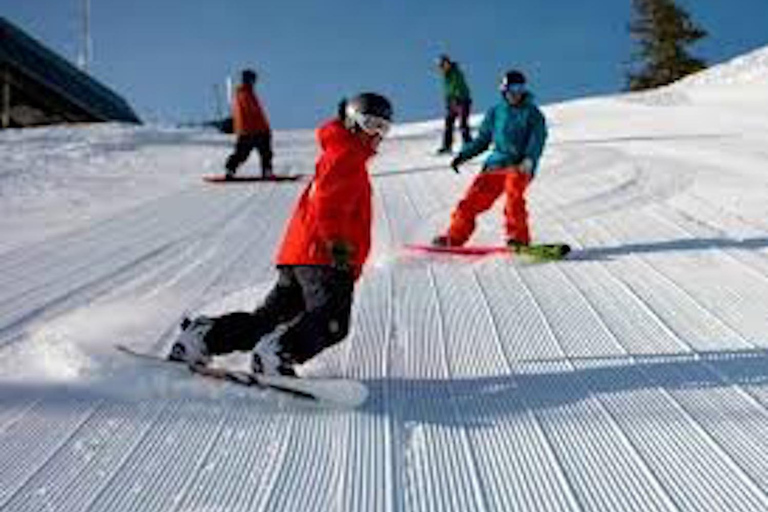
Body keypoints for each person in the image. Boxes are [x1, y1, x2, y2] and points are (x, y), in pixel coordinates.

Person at [170, 92, 394, 376]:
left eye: (384, 128)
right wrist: (337, 244)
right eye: (371, 124)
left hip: (302, 255)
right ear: (352, 122)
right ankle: (278, 353)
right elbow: (326, 202)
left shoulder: (340, 153)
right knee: (331, 323)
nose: (377, 135)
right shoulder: (347, 155)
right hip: (324, 257)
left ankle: (203, 337)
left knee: (267, 321)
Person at [432, 70, 547, 248]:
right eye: (512, 88)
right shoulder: (495, 112)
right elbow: (483, 139)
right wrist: (463, 155)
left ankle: (518, 238)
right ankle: (454, 237)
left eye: (520, 88)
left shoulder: (533, 113)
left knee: (514, 197)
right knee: (470, 201)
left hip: (519, 165)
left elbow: (537, 139)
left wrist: (529, 160)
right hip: (495, 164)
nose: (516, 93)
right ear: (504, 90)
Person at [225, 69, 273, 179]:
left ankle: (230, 170)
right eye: (253, 80)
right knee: (265, 151)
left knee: (242, 153)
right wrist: (265, 128)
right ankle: (266, 171)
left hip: (245, 130)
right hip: (256, 129)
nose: (254, 82)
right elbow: (253, 110)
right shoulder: (245, 92)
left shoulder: (241, 93)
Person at [436, 54, 472, 154]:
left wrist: (458, 97)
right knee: (448, 123)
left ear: (447, 63)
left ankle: (469, 145)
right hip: (452, 102)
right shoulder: (445, 76)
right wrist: (448, 101)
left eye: (443, 65)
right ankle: (447, 146)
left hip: (462, 100)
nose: (441, 68)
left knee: (463, 123)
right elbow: (448, 90)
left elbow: (458, 85)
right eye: (440, 66)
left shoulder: (455, 72)